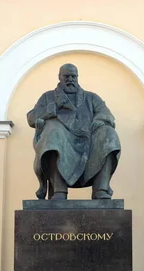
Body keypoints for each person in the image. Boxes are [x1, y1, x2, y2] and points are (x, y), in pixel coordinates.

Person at [27, 63, 121, 200]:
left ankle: (101, 189)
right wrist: (52, 108)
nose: (70, 79)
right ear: (59, 77)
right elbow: (31, 117)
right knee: (53, 132)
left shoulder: (91, 97)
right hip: (61, 140)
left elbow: (105, 113)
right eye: (66, 76)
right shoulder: (48, 97)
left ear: (77, 77)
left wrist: (101, 120)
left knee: (109, 135)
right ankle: (59, 190)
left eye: (73, 76)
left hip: (89, 140)